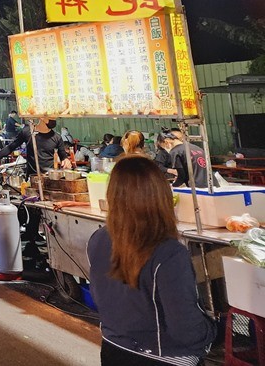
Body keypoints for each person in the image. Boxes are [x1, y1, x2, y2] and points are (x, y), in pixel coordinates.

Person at [87, 156, 215, 365]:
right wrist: (212, 331)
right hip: (163, 357)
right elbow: (185, 328)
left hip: (112, 349)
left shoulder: (98, 239)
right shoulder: (169, 253)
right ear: (160, 195)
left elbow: (100, 297)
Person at [0, 118, 72, 266]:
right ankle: (31, 245)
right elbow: (11, 147)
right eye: (52, 116)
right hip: (32, 181)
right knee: (33, 214)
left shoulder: (57, 137)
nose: (54, 119)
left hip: (49, 181)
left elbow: (63, 156)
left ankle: (53, 247)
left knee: (51, 215)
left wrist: (66, 161)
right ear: (43, 117)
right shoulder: (29, 132)